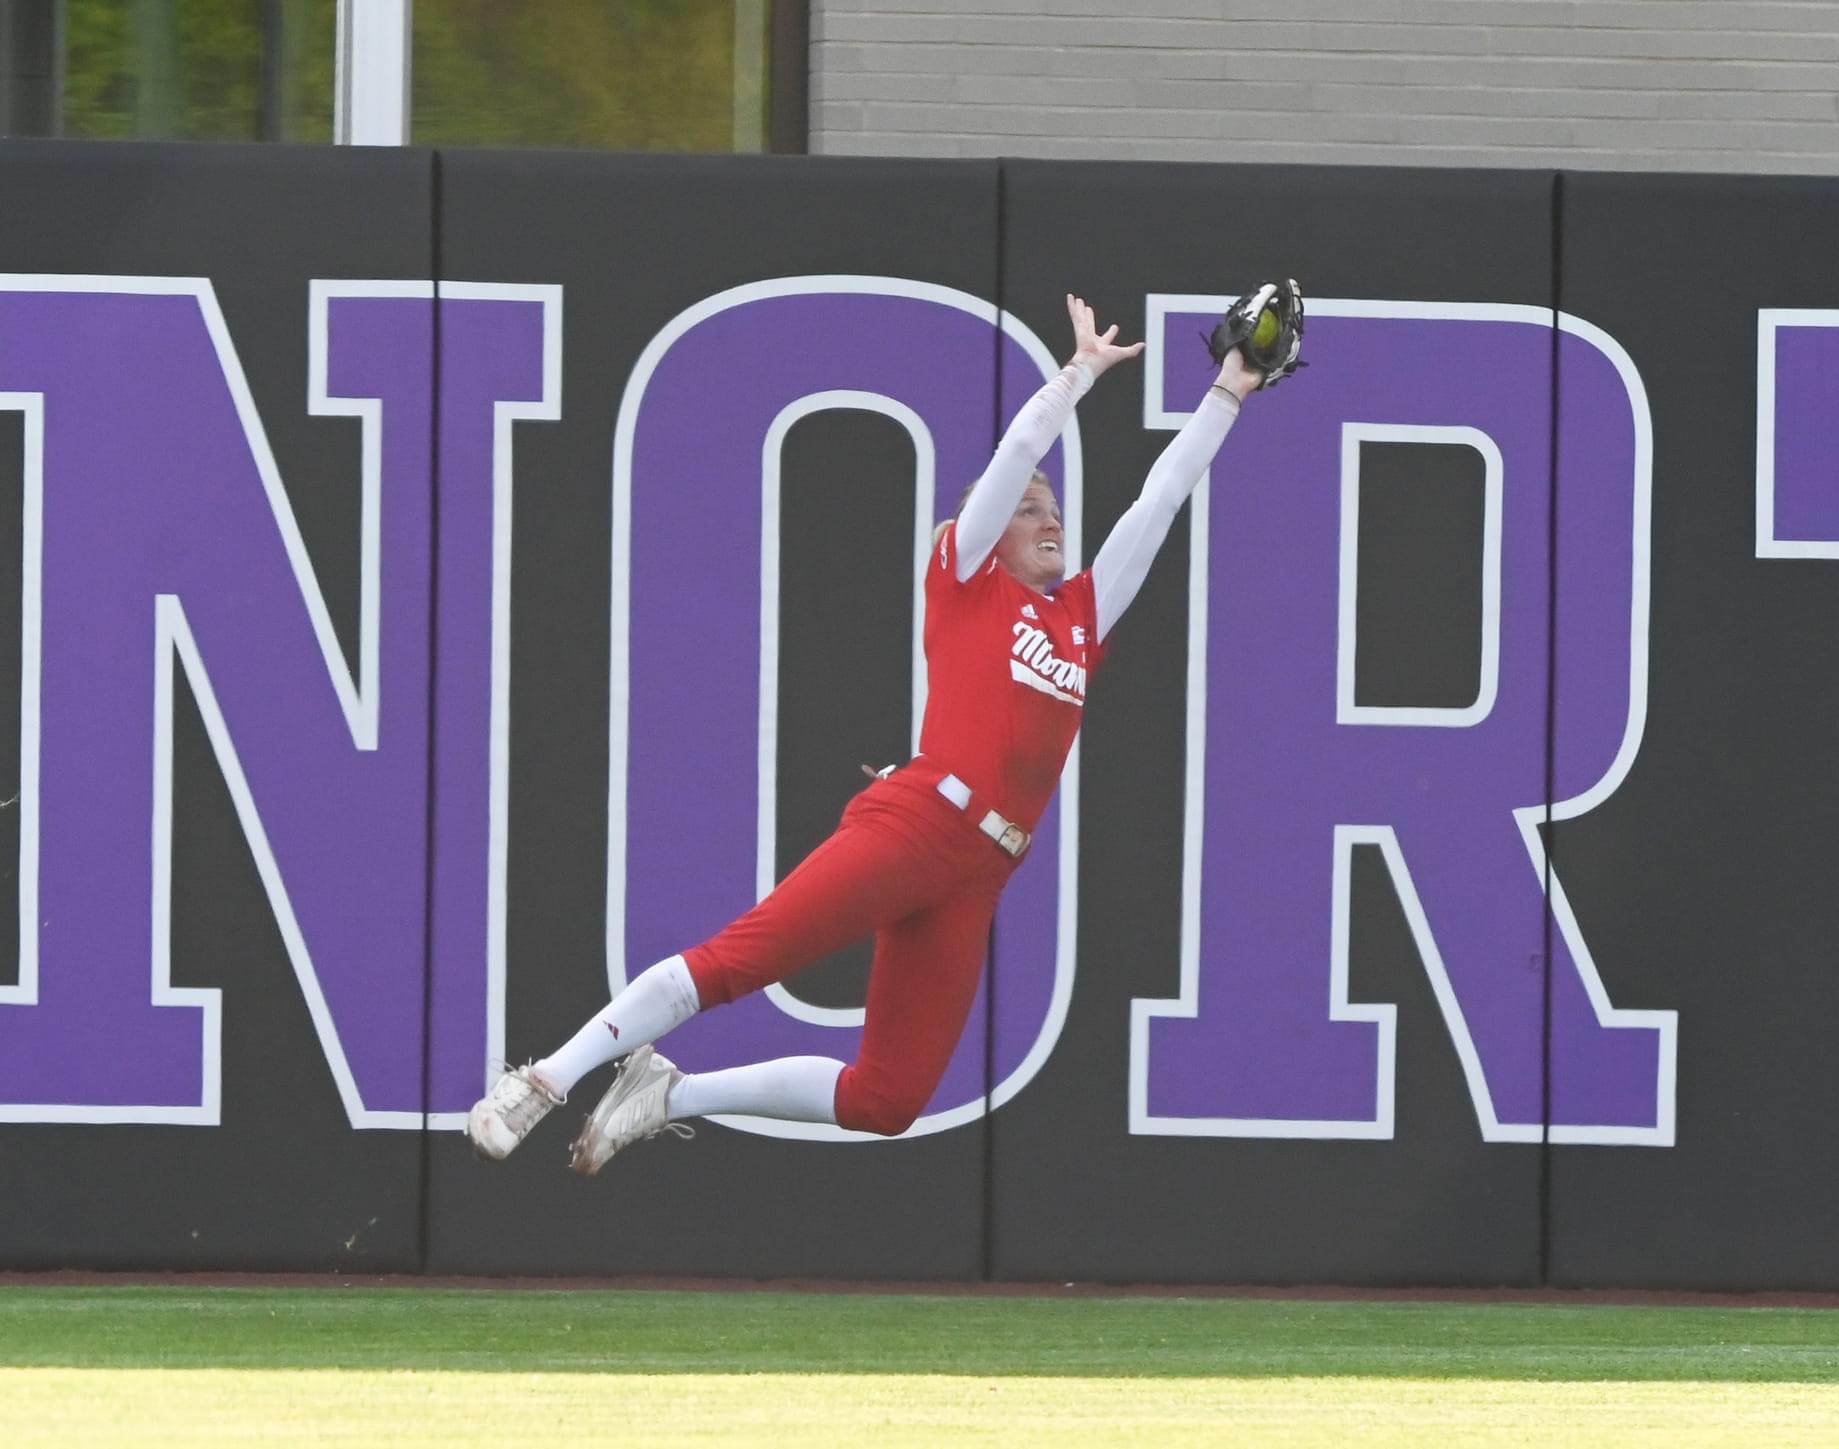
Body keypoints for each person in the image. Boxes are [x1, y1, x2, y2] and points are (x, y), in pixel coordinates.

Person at [469, 292, 1266, 1172]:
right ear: (986, 527)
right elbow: (1014, 455)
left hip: (981, 868)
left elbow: (1159, 502)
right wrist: (1076, 374)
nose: (1051, 519)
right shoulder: (965, 575)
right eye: (1030, 509)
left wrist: (1228, 390)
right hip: (921, 820)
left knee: (887, 1099)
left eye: (1054, 509)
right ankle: (544, 1077)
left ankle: (668, 1093)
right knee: (739, 961)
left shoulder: (1080, 616)